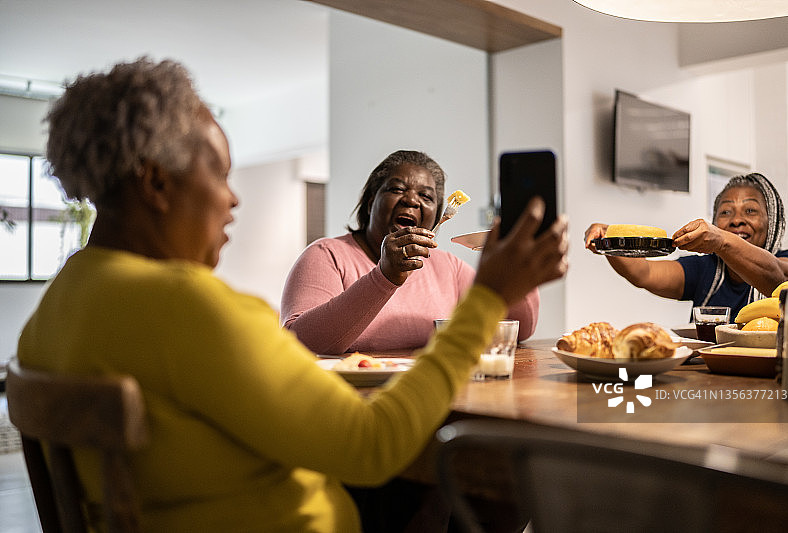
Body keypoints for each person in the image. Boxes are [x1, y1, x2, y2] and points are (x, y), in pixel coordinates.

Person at [16, 57, 568, 533]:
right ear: (157, 183)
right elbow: (372, 445)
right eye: (220, 174)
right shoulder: (191, 307)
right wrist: (486, 300)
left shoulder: (62, 301)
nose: (233, 200)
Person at [280, 150, 540, 355]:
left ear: (436, 217)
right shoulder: (327, 255)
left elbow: (519, 329)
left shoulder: (447, 267)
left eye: (426, 197)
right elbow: (299, 344)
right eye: (396, 189)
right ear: (370, 202)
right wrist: (384, 277)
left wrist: (517, 265)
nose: (411, 200)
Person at [584, 173, 788, 320]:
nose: (736, 220)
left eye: (750, 211)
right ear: (715, 221)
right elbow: (643, 273)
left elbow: (780, 278)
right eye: (725, 212)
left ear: (772, 222)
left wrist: (721, 240)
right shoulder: (707, 269)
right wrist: (610, 240)